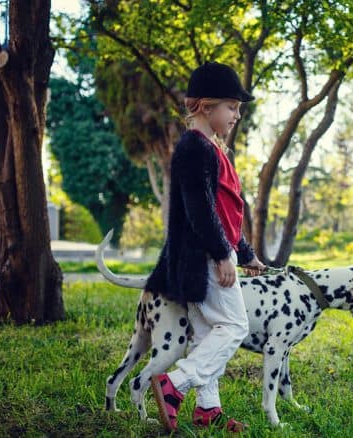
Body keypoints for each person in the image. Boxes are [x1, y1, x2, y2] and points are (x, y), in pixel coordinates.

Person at [143, 61, 267, 433]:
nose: (236, 115)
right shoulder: (194, 148)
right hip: (202, 258)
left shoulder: (208, 148)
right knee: (233, 326)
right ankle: (175, 385)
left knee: (206, 333)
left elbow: (225, 212)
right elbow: (200, 210)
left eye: (239, 109)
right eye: (231, 107)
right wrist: (221, 255)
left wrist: (245, 254)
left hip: (207, 254)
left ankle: (207, 411)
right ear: (205, 106)